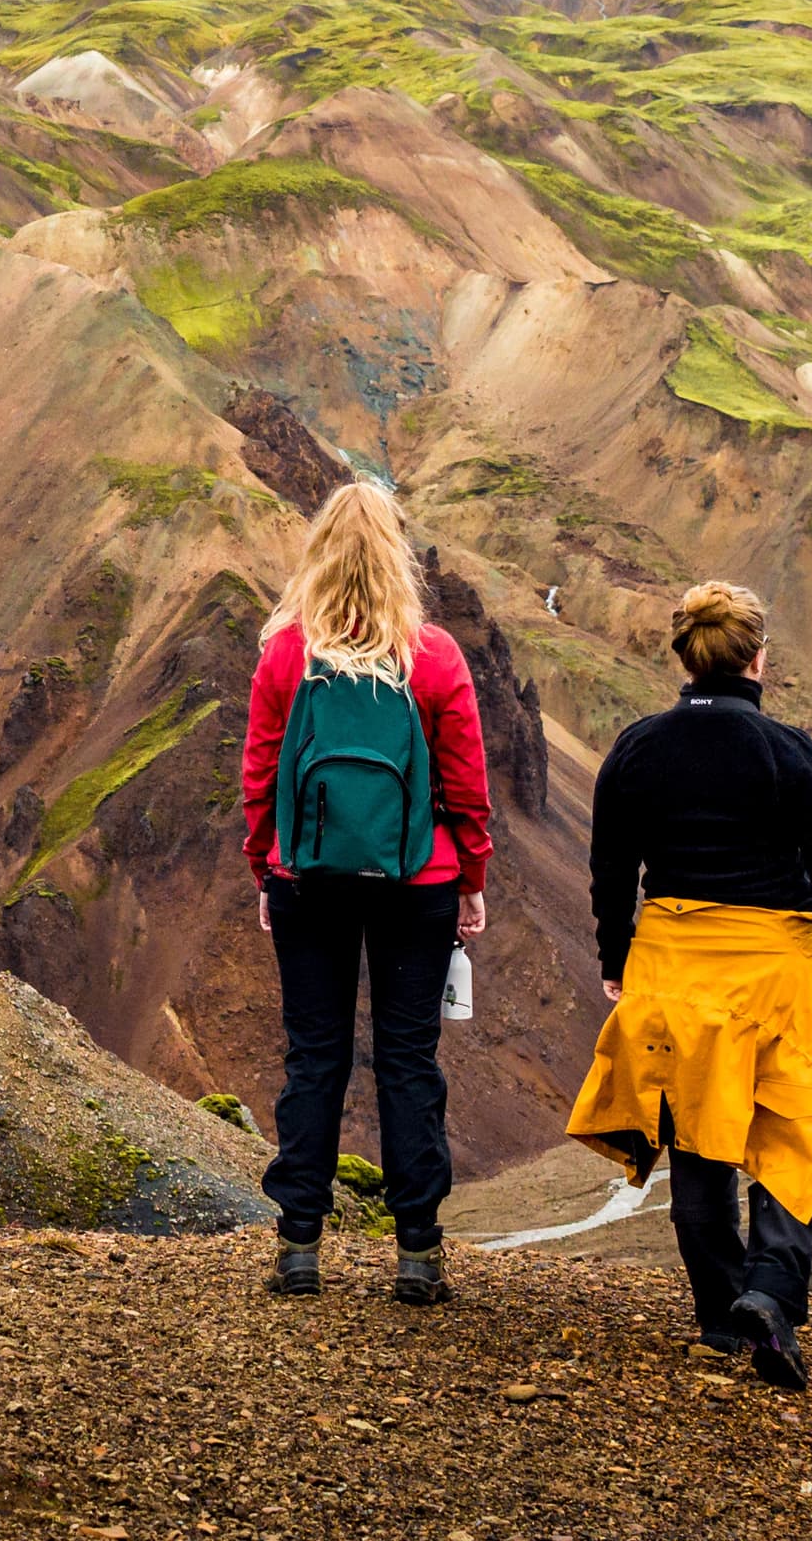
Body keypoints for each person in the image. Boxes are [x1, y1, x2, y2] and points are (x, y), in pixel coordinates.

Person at [565, 580, 812, 1388]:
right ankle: (772, 1289)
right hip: (772, 971)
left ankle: (720, 1318)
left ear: (685, 657)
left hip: (671, 969)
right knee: (808, 1118)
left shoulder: (636, 748)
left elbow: (611, 872)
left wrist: (614, 959)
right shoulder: (791, 752)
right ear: (757, 658)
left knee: (699, 1137)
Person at [240, 480, 493, 1305]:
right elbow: (466, 785)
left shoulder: (285, 655)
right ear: (397, 558)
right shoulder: (435, 656)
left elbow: (259, 777)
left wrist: (265, 869)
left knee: (314, 1056)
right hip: (418, 881)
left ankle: (299, 1246)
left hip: (307, 878)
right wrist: (472, 878)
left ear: (318, 555)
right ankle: (417, 1252)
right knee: (407, 1059)